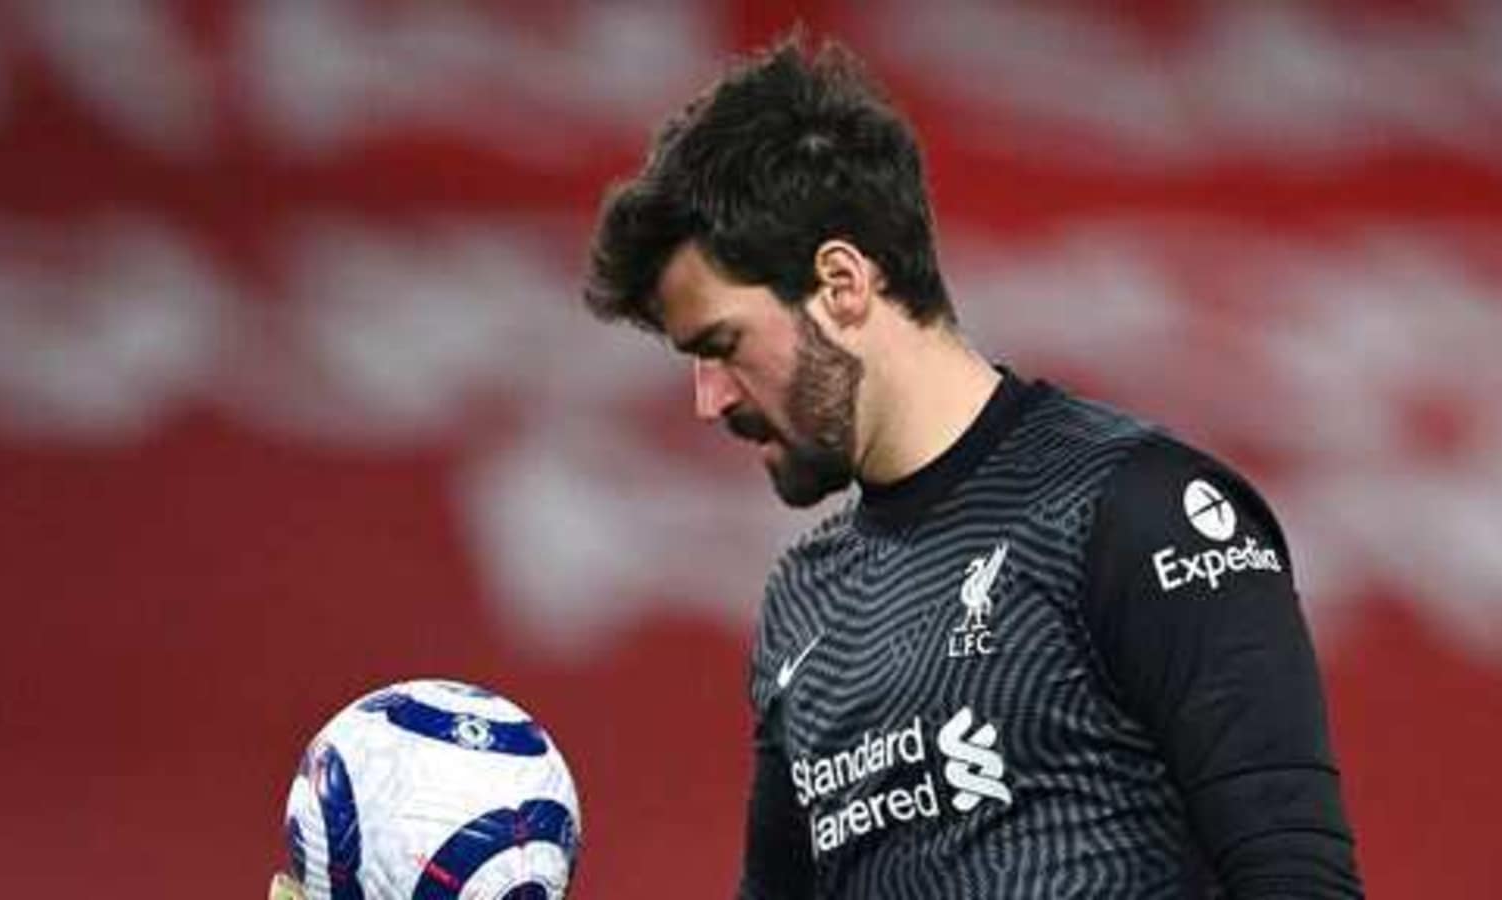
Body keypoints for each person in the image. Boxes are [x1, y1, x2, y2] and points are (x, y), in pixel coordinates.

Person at [583, 35, 1362, 899]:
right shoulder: (801, 610)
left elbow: (1299, 882)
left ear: (842, 284)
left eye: (721, 345)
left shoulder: (1140, 513)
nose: (709, 397)